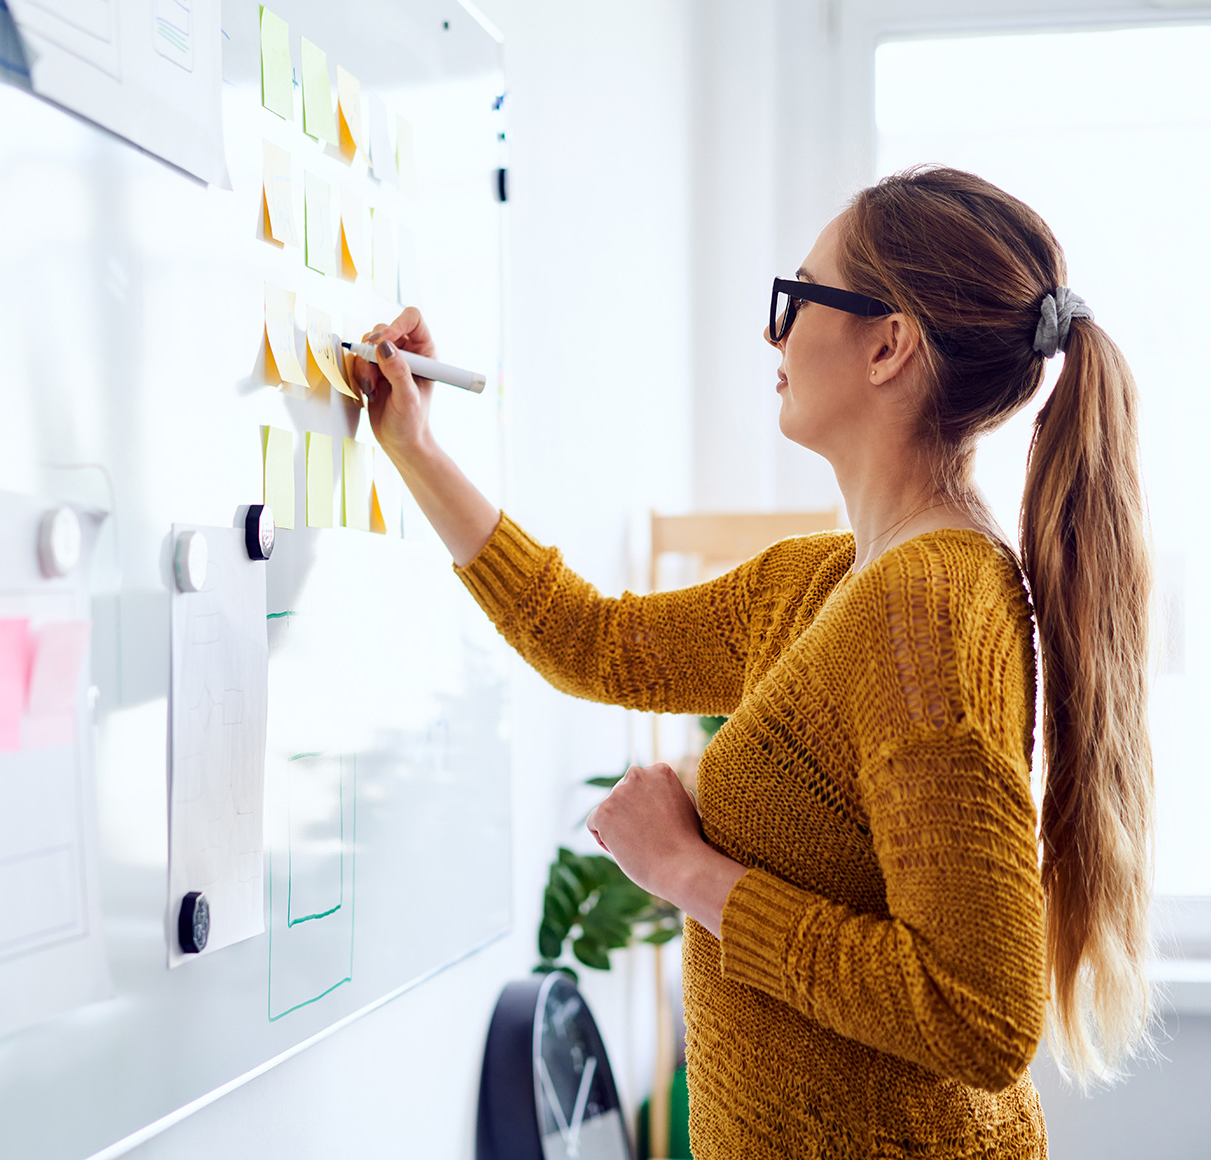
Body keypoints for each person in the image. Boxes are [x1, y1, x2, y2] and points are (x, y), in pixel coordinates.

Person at [349, 165, 1159, 1159]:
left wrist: (689, 870)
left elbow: (978, 1014)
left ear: (888, 343)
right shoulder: (834, 581)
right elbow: (591, 638)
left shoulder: (927, 609)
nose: (773, 332)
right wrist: (415, 446)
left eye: (797, 298)